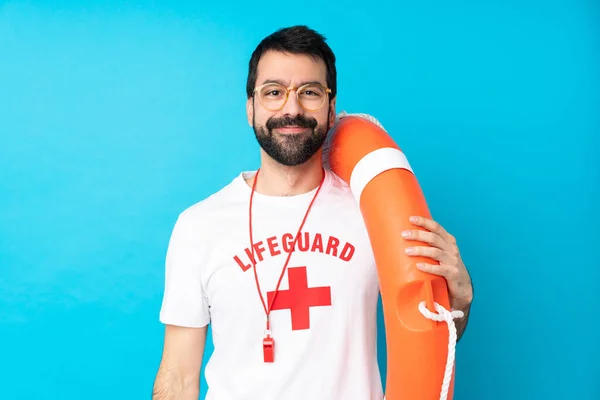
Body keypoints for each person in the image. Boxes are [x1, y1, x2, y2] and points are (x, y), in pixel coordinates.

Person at [151, 25, 473, 400]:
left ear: (332, 108)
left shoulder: (374, 216)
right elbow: (177, 377)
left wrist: (460, 299)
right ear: (250, 106)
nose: (291, 108)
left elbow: (427, 339)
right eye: (273, 92)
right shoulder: (198, 226)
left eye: (310, 93)